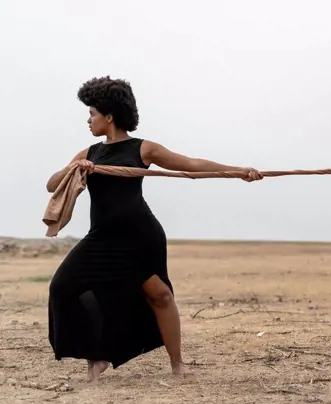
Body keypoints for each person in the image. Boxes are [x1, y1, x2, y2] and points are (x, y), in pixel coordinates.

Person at [46, 76, 263, 382]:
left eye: (92, 113)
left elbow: (190, 165)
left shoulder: (143, 149)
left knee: (159, 296)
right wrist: (74, 168)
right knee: (62, 286)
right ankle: (98, 354)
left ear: (109, 116)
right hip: (103, 238)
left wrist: (238, 171)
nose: (88, 119)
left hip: (140, 236)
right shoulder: (89, 154)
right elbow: (52, 184)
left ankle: (178, 365)